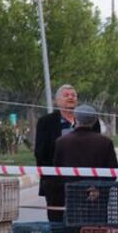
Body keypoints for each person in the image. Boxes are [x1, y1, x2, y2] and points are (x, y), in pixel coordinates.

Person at [53, 105, 118, 233]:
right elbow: (112, 172)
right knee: (96, 232)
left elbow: (56, 171)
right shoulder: (104, 143)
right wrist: (98, 188)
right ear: (94, 121)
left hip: (72, 196)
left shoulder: (62, 142)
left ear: (76, 119)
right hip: (96, 198)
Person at [34, 85, 99, 222]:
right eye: (66, 95)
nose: (70, 97)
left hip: (85, 183)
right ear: (57, 101)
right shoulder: (46, 122)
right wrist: (49, 179)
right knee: (57, 223)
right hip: (56, 185)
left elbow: (97, 149)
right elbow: (41, 153)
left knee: (85, 223)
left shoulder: (90, 121)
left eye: (73, 95)